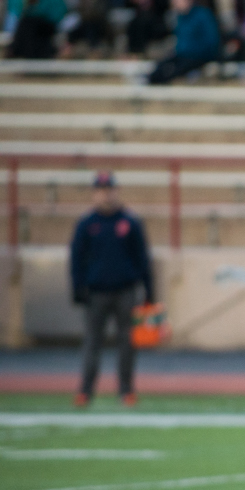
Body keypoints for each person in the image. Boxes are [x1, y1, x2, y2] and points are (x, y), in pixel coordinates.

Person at [69, 171, 153, 407]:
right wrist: (77, 288)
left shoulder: (130, 222)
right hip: (96, 293)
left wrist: (149, 289)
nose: (106, 195)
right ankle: (86, 390)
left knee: (128, 343)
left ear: (117, 191)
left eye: (110, 190)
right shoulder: (87, 224)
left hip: (126, 291)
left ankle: (126, 390)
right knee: (92, 343)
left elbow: (142, 258)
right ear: (95, 194)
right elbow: (77, 259)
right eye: (101, 190)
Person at [146, 0, 220, 84]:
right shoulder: (180, 17)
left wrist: (194, 52)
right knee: (158, 70)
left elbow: (212, 40)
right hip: (182, 56)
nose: (175, 2)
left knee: (172, 73)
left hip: (198, 57)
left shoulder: (203, 15)